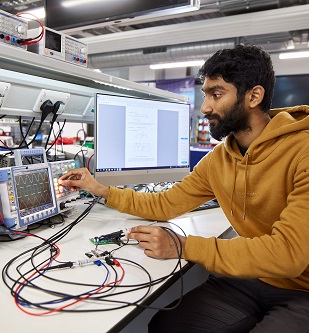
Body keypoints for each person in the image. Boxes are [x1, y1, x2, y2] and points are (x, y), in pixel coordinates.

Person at [58, 44, 309, 332]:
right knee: (165, 326)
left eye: (217, 94)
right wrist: (100, 189)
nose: (205, 108)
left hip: (303, 289)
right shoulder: (219, 159)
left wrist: (183, 246)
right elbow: (165, 204)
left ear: (254, 96)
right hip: (251, 279)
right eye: (205, 95)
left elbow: (288, 255)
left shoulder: (303, 150)